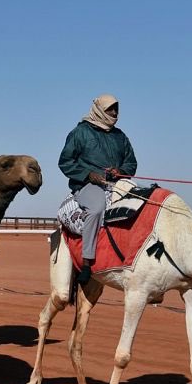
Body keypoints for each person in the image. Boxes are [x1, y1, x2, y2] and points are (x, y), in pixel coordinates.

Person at [58, 94, 137, 284]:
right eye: (110, 109)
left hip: (116, 183)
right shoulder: (80, 132)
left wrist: (121, 171)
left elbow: (131, 162)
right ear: (100, 110)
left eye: (116, 109)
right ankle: (87, 262)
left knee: (142, 203)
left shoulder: (120, 136)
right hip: (87, 185)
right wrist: (88, 174)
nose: (115, 113)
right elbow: (65, 162)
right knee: (96, 209)